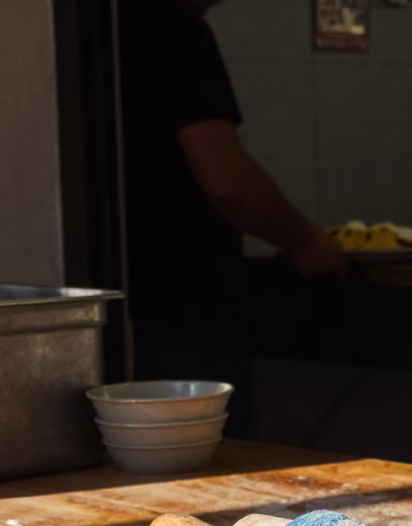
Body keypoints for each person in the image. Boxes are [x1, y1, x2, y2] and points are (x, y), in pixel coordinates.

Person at [117, 0, 343, 437]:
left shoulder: (101, 27)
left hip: (122, 309)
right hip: (181, 308)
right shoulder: (171, 27)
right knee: (210, 461)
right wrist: (306, 242)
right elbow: (226, 180)